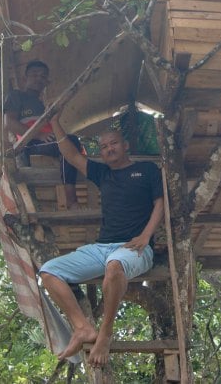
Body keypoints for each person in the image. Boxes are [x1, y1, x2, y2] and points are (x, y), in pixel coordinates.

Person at [39, 113, 164, 367]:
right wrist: (55, 121)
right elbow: (72, 155)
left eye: (113, 143)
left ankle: (105, 333)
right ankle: (83, 327)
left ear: (125, 145)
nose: (109, 149)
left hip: (135, 248)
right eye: (104, 146)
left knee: (115, 266)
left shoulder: (147, 169)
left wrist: (146, 235)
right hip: (102, 247)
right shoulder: (102, 172)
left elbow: (160, 204)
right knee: (48, 272)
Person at [3, 60, 82, 208]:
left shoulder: (43, 103)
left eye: (43, 76)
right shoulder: (16, 96)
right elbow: (9, 123)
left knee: (69, 144)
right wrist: (38, 135)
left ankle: (71, 198)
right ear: (25, 78)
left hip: (50, 142)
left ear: (47, 81)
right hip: (30, 144)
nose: (39, 79)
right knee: (68, 142)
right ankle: (71, 199)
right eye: (34, 75)